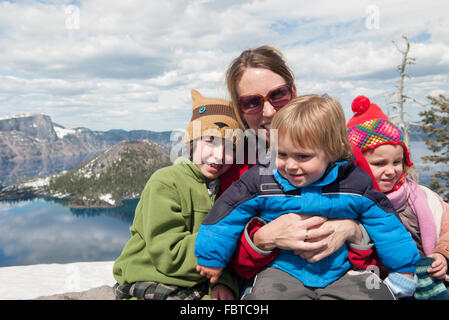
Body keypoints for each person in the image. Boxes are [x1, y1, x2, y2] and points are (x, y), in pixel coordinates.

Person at [195, 94, 420, 300]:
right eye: (281, 154)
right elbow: (227, 212)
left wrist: (404, 269)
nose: (291, 165)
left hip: (341, 271)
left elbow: (386, 224)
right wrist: (211, 256)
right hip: (281, 271)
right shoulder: (262, 179)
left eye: (303, 156)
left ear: (333, 150)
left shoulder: (353, 182)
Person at [221, 45, 375, 282]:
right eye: (252, 102)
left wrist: (352, 231)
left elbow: (386, 233)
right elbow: (229, 262)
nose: (270, 111)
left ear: (293, 91)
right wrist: (264, 238)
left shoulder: (341, 154)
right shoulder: (238, 167)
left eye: (278, 94)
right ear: (239, 109)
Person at [112, 89, 241, 300]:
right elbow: (170, 255)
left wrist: (224, 282)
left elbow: (221, 258)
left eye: (230, 147)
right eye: (210, 140)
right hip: (149, 282)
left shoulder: (223, 189)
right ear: (191, 143)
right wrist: (230, 237)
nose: (219, 155)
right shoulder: (166, 182)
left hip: (196, 284)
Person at [347, 95, 449, 300]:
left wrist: (441, 254)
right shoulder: (350, 203)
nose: (390, 171)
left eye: (397, 162)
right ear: (357, 163)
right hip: (378, 288)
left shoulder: (422, 197)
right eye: (379, 163)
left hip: (430, 285)